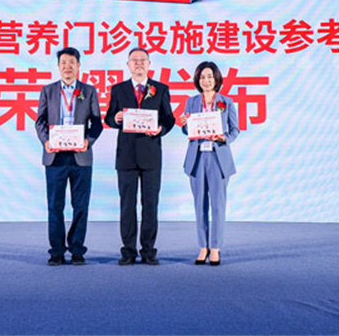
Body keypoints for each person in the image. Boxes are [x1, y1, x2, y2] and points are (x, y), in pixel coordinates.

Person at [104, 48, 175, 265]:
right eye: (134, 60)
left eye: (142, 60)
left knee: (150, 205)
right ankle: (128, 251)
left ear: (149, 64)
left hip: (151, 156)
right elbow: (108, 117)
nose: (138, 63)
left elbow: (169, 119)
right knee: (127, 206)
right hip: (126, 156)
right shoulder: (118, 89)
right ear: (128, 64)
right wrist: (116, 118)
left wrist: (160, 129)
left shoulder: (160, 89)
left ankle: (148, 251)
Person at [35, 47, 103, 266]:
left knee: (80, 205)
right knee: (55, 205)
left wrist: (88, 141)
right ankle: (56, 251)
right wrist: (46, 141)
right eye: (63, 63)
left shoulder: (88, 91)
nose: (67, 66)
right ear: (58, 66)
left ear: (78, 66)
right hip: (55, 157)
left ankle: (77, 249)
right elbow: (40, 121)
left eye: (71, 63)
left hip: (80, 156)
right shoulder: (48, 90)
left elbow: (97, 123)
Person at [179, 61, 239, 266]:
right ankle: (202, 247)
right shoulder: (191, 101)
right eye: (202, 77)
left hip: (218, 157)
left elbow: (235, 130)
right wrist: (184, 124)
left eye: (210, 77)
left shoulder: (226, 102)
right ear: (198, 80)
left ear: (216, 79)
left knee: (218, 206)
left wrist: (224, 138)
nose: (206, 80)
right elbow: (187, 131)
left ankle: (215, 248)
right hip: (197, 158)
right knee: (199, 205)